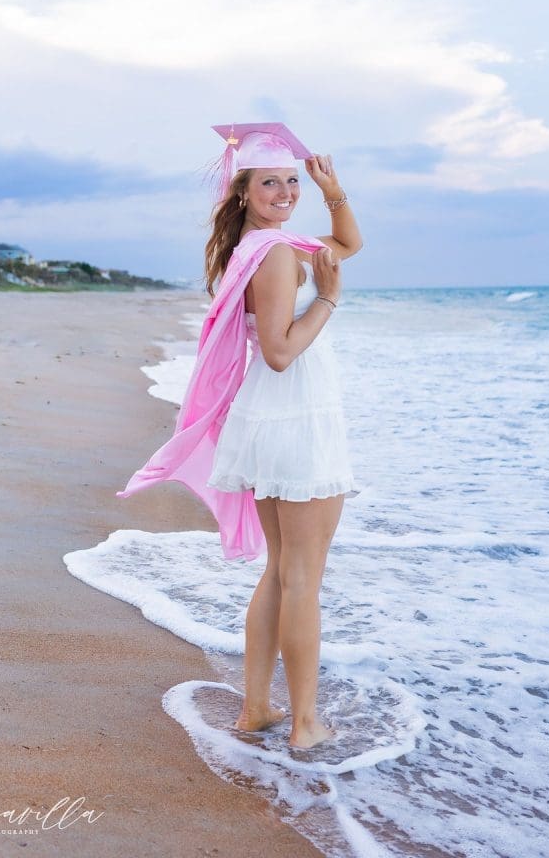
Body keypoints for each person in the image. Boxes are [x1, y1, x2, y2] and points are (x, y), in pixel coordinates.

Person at [203, 122, 363, 749]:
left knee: (280, 571)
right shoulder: (273, 255)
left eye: (291, 181)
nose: (286, 192)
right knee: (302, 578)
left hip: (272, 419)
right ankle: (304, 724)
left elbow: (348, 241)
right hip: (295, 419)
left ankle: (256, 711)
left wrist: (332, 189)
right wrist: (326, 300)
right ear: (242, 190)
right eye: (270, 181)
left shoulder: (264, 244)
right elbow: (278, 351)